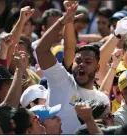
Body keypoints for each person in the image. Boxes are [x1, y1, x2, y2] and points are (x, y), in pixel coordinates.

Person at [35, 2, 109, 134]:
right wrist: (61, 22)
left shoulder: (102, 100)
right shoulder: (61, 80)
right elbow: (41, 50)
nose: (81, 64)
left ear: (97, 68)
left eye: (88, 61)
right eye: (78, 60)